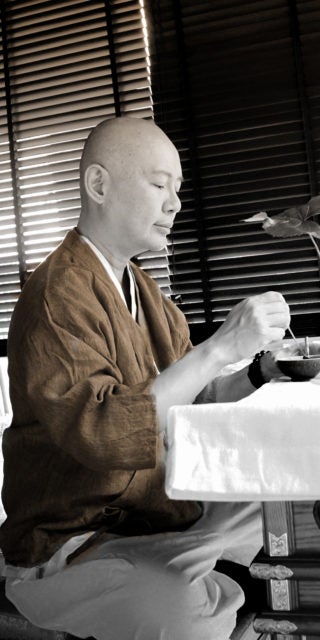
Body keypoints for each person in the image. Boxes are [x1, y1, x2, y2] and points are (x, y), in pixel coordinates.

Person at [0, 116, 291, 640]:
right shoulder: (56, 293)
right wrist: (219, 347)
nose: (175, 204)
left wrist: (258, 370)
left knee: (292, 495)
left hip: (159, 513)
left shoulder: (147, 293)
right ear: (98, 185)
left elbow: (192, 401)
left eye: (177, 189)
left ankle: (205, 574)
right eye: (159, 185)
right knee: (179, 615)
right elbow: (107, 432)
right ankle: (206, 580)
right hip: (78, 537)